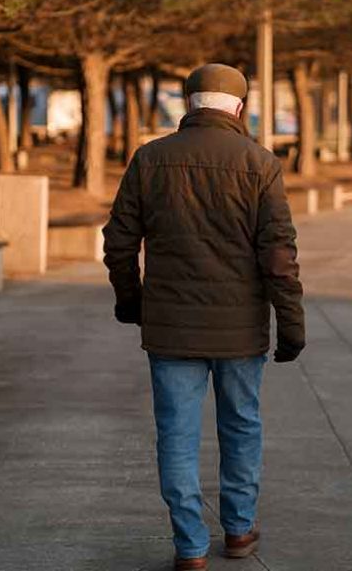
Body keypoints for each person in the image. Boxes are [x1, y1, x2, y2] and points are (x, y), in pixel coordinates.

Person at [103, 63, 306, 570]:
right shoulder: (260, 164)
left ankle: (190, 546)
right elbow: (278, 256)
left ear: (187, 103)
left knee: (176, 433)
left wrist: (132, 302)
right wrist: (292, 323)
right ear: (238, 108)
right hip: (240, 331)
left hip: (170, 329)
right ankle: (238, 530)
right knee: (241, 426)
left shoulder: (150, 160)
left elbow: (119, 243)